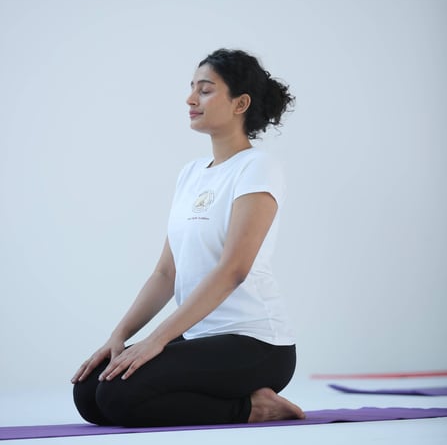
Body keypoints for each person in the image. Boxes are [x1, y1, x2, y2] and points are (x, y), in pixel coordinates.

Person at [71, 48, 305, 427]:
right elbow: (166, 274)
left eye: (206, 90)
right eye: (192, 88)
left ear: (239, 103)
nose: (190, 99)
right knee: (89, 393)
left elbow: (234, 270)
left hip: (257, 343)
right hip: (201, 338)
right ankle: (239, 402)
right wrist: (121, 336)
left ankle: (254, 409)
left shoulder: (257, 168)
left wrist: (157, 340)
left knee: (118, 396)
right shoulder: (191, 174)